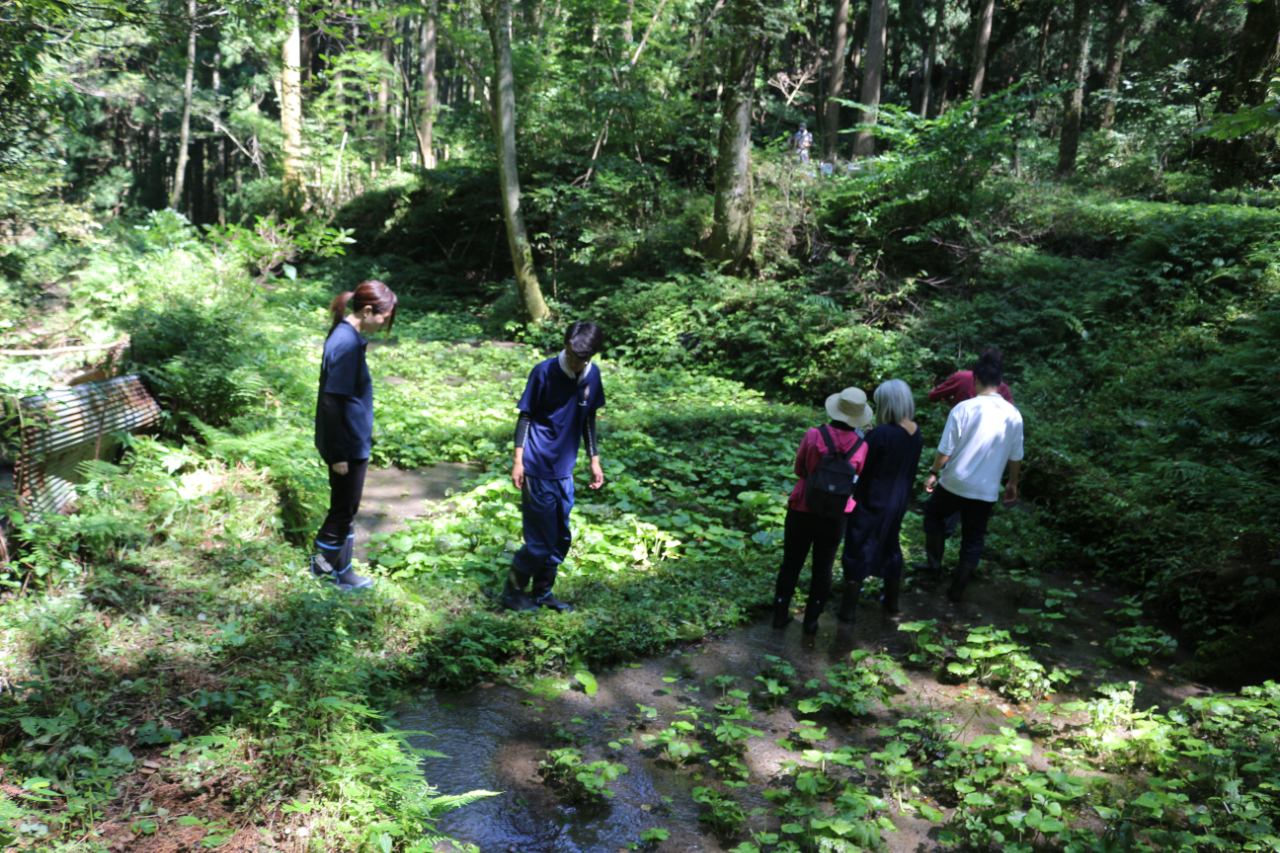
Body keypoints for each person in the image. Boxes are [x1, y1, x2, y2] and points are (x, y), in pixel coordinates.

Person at [502, 321, 607, 614]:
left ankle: (542, 594)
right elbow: (525, 416)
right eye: (571, 355)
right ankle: (512, 594)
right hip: (536, 466)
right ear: (565, 345)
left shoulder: (592, 375)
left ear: (592, 356)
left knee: (561, 537)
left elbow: (588, 419)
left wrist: (594, 460)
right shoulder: (544, 372)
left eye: (582, 359)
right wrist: (517, 461)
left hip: (565, 470)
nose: (574, 363)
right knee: (540, 542)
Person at [312, 280, 398, 592]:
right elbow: (331, 402)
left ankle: (343, 573)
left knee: (347, 510)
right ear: (367, 310)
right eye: (384, 317)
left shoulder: (346, 335)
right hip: (345, 447)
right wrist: (338, 455)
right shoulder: (347, 342)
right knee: (341, 512)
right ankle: (320, 576)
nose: (385, 323)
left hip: (349, 442)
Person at [920, 353, 1023, 603]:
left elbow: (945, 451)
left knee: (934, 514)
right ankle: (956, 591)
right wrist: (1012, 483)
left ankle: (934, 567)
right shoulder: (1013, 415)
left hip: (955, 482)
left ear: (975, 379)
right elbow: (1015, 456)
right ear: (1000, 382)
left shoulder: (963, 408)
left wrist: (933, 473)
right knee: (973, 538)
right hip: (986, 490)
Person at [773, 387, 871, 635]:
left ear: (836, 408)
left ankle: (780, 617)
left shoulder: (814, 434)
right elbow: (856, 478)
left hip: (802, 508)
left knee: (791, 564)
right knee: (823, 568)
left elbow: (799, 470)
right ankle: (812, 622)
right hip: (836, 515)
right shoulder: (861, 445)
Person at [834, 380, 924, 623]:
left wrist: (866, 437)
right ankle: (892, 605)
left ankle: (847, 612)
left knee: (856, 548)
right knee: (890, 546)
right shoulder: (915, 431)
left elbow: (861, 466)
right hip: (898, 503)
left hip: (872, 500)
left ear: (888, 404)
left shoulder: (882, 434)